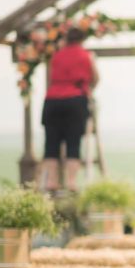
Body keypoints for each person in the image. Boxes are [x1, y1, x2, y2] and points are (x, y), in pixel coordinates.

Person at [41, 26, 99, 192]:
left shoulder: (56, 56)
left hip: (52, 101)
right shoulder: (86, 56)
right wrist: (87, 90)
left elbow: (50, 79)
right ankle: (71, 182)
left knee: (51, 143)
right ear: (82, 39)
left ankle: (51, 181)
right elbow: (95, 78)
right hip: (75, 100)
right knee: (73, 142)